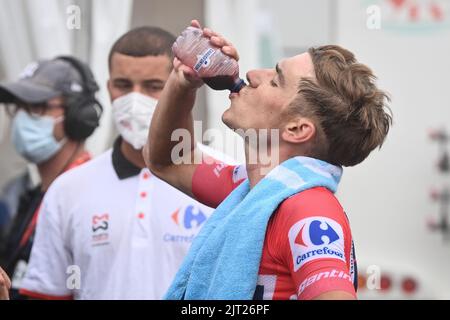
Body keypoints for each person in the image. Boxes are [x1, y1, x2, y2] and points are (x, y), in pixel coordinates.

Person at [145, 20, 392, 300]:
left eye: (275, 80)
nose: (251, 74)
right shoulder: (256, 192)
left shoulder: (308, 209)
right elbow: (167, 161)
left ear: (297, 129)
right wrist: (183, 82)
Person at [20, 26, 215, 300]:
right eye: (123, 85)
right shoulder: (68, 189)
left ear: (179, 85)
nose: (135, 99)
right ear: (109, 86)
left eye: (153, 86)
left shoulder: (223, 180)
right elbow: (47, 293)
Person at [0, 57, 102, 299]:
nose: (22, 118)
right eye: (19, 108)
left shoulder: (91, 199)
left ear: (79, 118)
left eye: (37, 108)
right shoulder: (29, 194)